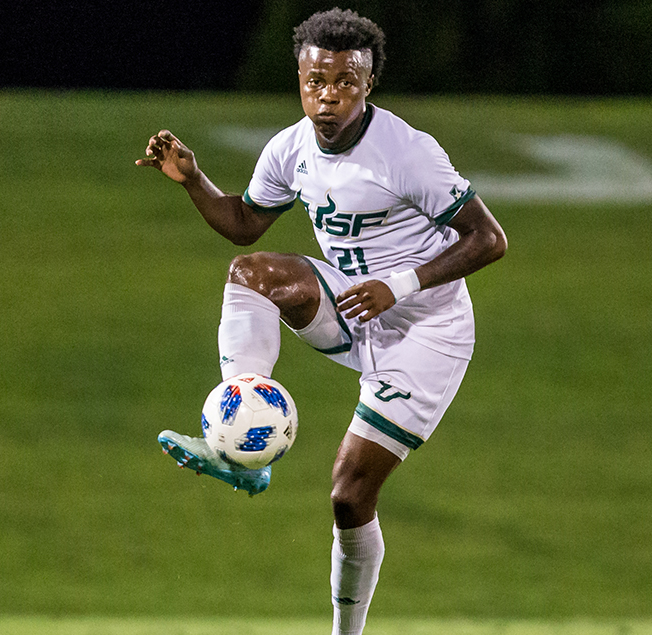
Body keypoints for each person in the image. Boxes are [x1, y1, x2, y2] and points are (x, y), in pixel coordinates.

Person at [136, 8, 506, 635]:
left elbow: (489, 239)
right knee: (250, 273)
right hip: (352, 301)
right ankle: (241, 431)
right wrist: (194, 179)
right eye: (315, 82)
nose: (327, 97)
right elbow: (244, 224)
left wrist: (400, 285)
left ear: (367, 87)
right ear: (299, 80)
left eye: (344, 83)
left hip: (425, 330)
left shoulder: (407, 153)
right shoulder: (290, 149)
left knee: (348, 494)